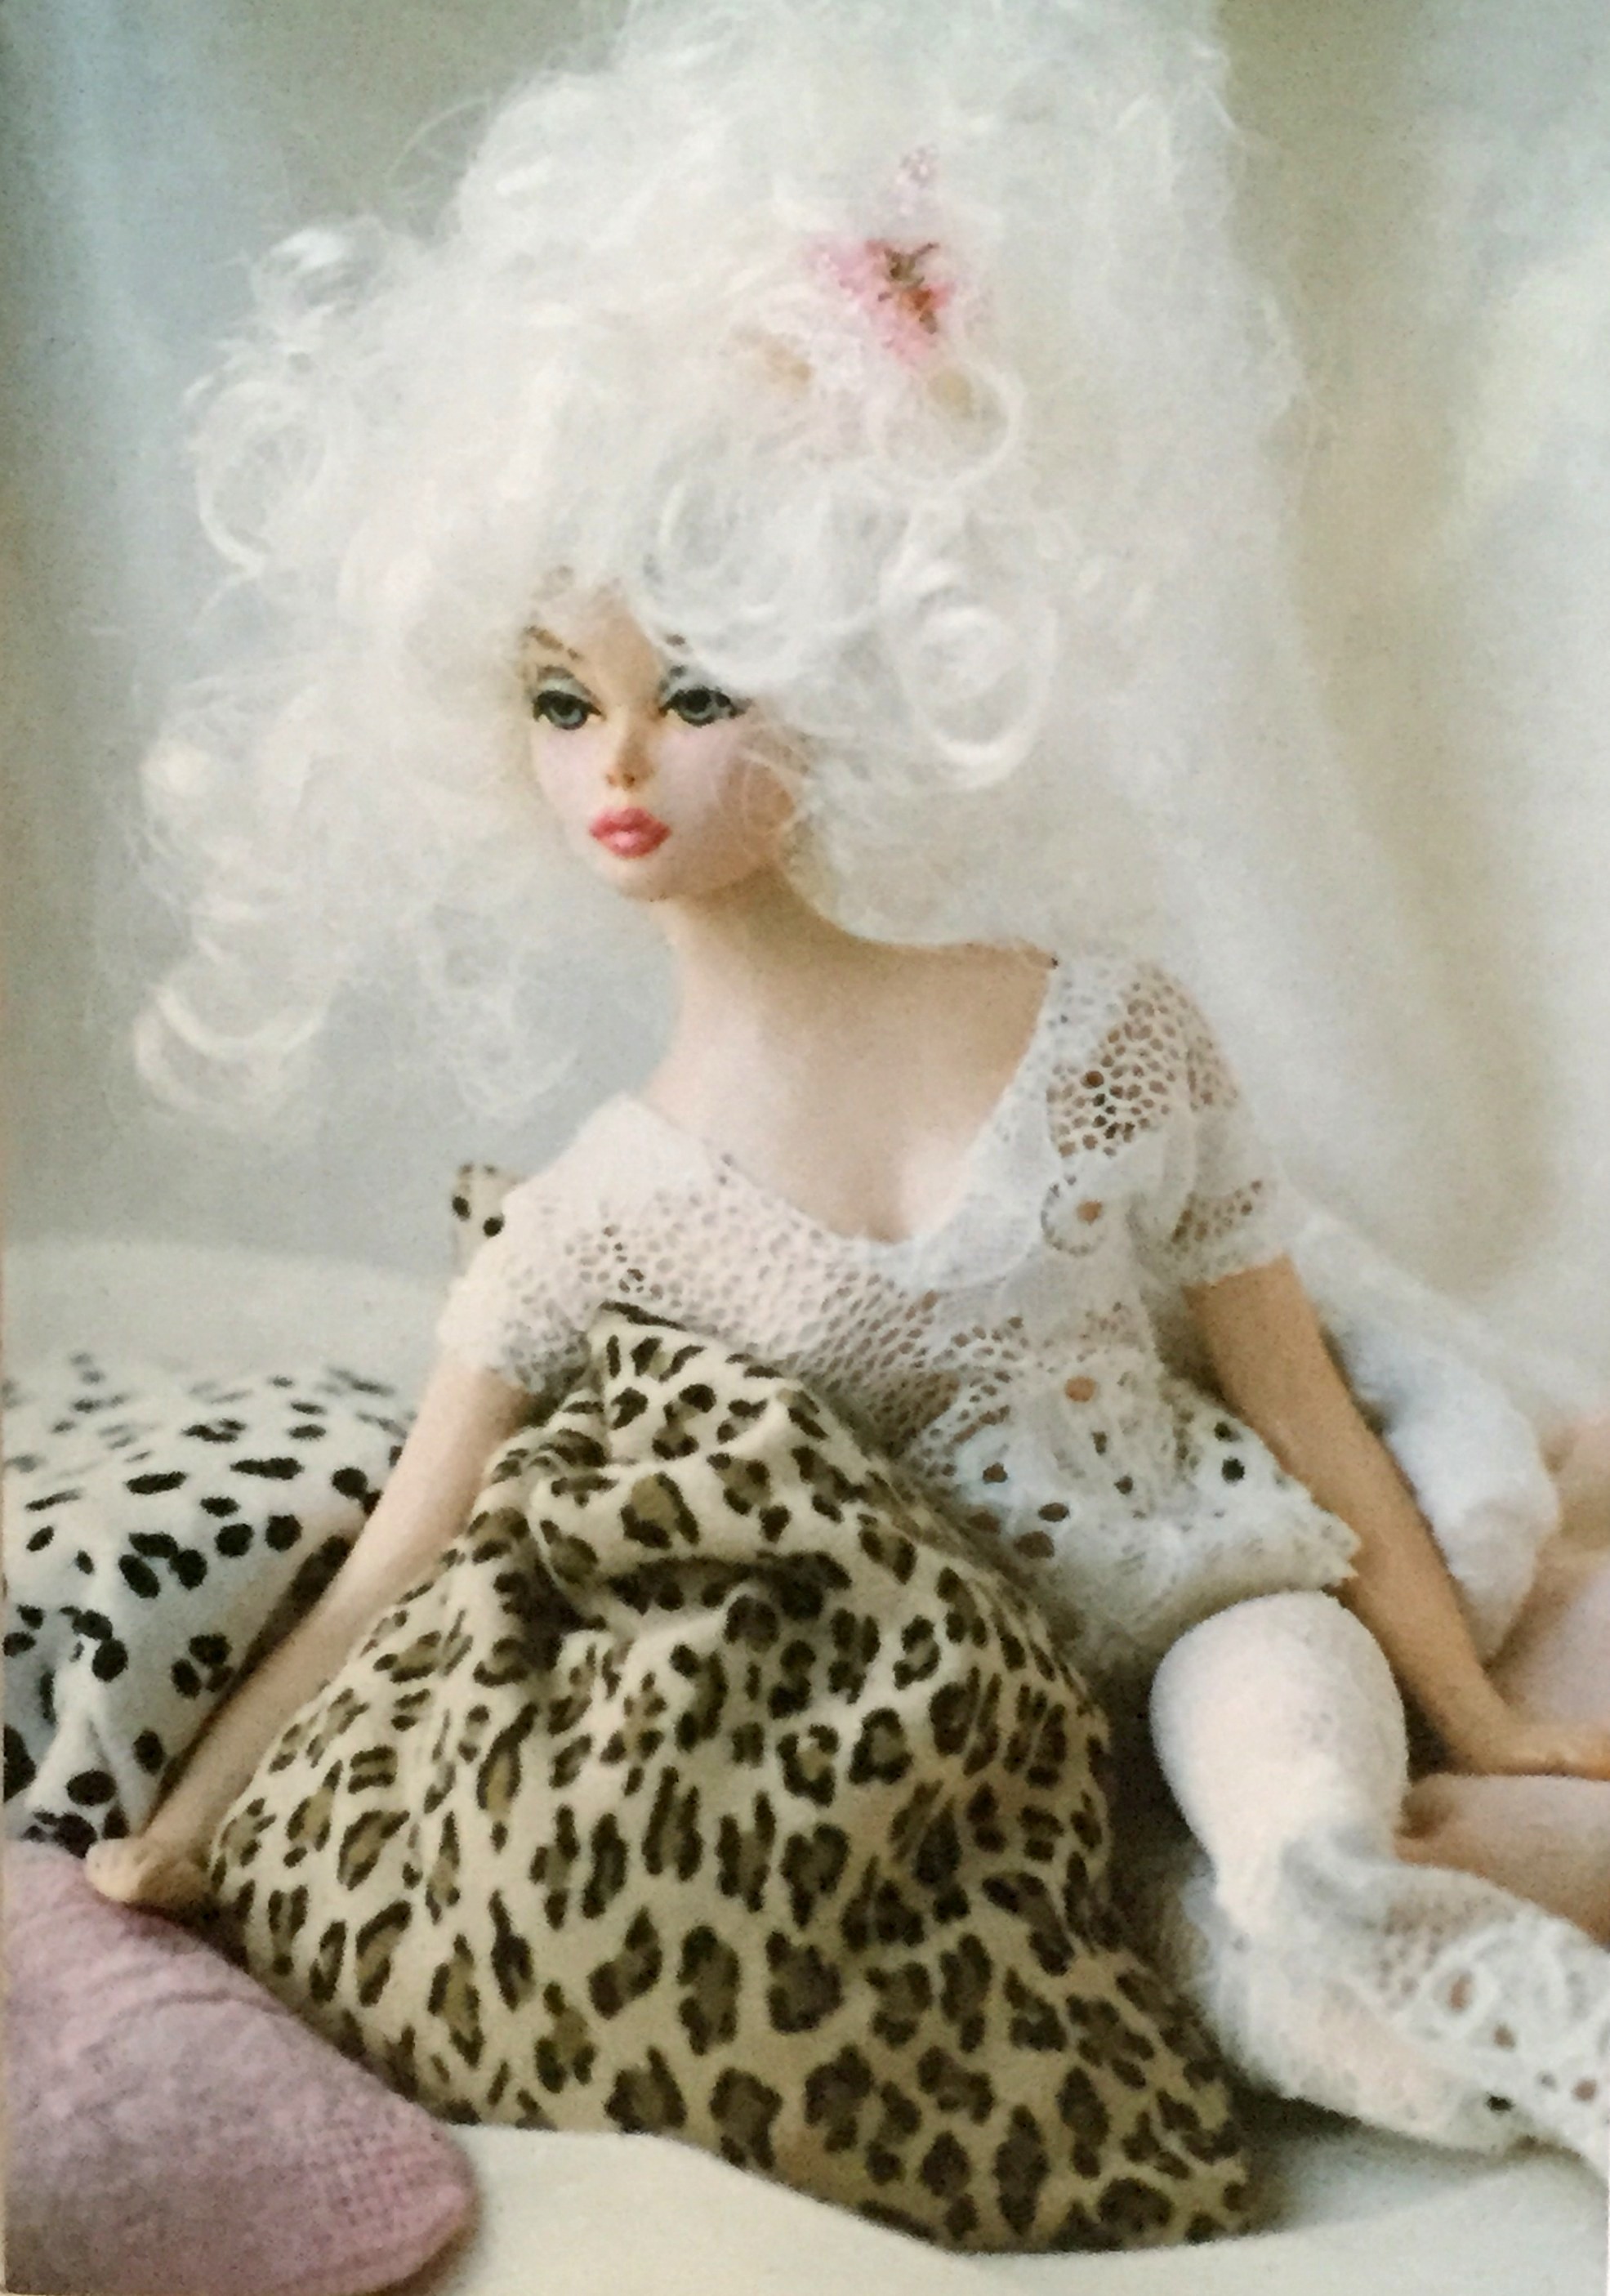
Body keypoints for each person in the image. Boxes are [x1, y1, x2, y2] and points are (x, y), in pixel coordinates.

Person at [85, 0, 1609, 2175]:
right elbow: (383, 1576)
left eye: (695, 689)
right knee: (1228, 1978)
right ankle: (1398, 2016)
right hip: (963, 1767)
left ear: (848, 674)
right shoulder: (592, 1216)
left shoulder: (1107, 1032)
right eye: (561, 701)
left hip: (1225, 1615)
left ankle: (1502, 2000)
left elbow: (1300, 1411)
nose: (619, 761)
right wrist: (180, 1837)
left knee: (1300, 1846)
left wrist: (1482, 1712)